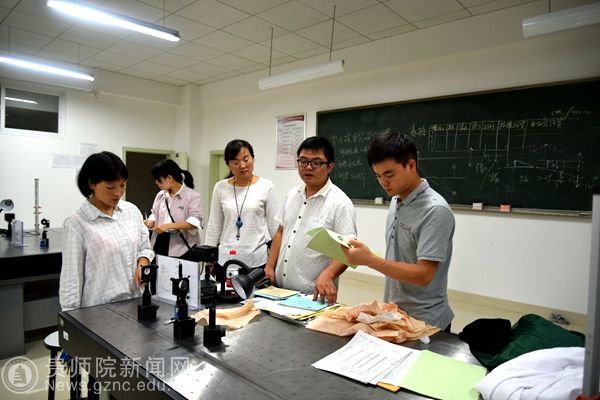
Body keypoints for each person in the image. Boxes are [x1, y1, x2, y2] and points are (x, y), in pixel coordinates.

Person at [342, 131, 455, 331]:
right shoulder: (396, 199)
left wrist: (370, 260)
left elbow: (424, 274)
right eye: (378, 176)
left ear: (411, 165)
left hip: (426, 322)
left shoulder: (435, 210)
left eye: (389, 175)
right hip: (396, 314)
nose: (383, 182)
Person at [265, 136, 357, 305]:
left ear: (330, 166)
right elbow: (280, 232)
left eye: (316, 162)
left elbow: (348, 249)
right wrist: (270, 266)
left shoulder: (340, 203)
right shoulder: (292, 195)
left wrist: (328, 274)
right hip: (278, 291)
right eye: (303, 161)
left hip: (312, 297)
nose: (308, 167)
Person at [59, 151, 154, 311]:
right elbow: (71, 280)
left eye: (122, 185)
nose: (117, 193)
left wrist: (143, 262)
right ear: (92, 184)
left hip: (136, 304)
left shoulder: (131, 211)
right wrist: (70, 317)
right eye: (110, 187)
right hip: (100, 311)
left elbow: (145, 247)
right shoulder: (76, 224)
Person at [205, 139, 278, 267]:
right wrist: (208, 256)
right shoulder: (220, 187)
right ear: (228, 164)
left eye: (246, 159)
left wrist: (274, 262)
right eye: (236, 162)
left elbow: (275, 227)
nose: (242, 165)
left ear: (253, 158)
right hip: (225, 259)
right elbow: (214, 225)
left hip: (256, 260)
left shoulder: (266, 186)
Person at [144, 159, 203, 258]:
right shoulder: (160, 195)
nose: (156, 182)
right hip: (159, 244)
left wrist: (167, 226)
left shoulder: (192, 196)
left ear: (169, 178)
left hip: (182, 248)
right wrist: (151, 221)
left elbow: (194, 223)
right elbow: (154, 213)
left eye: (158, 179)